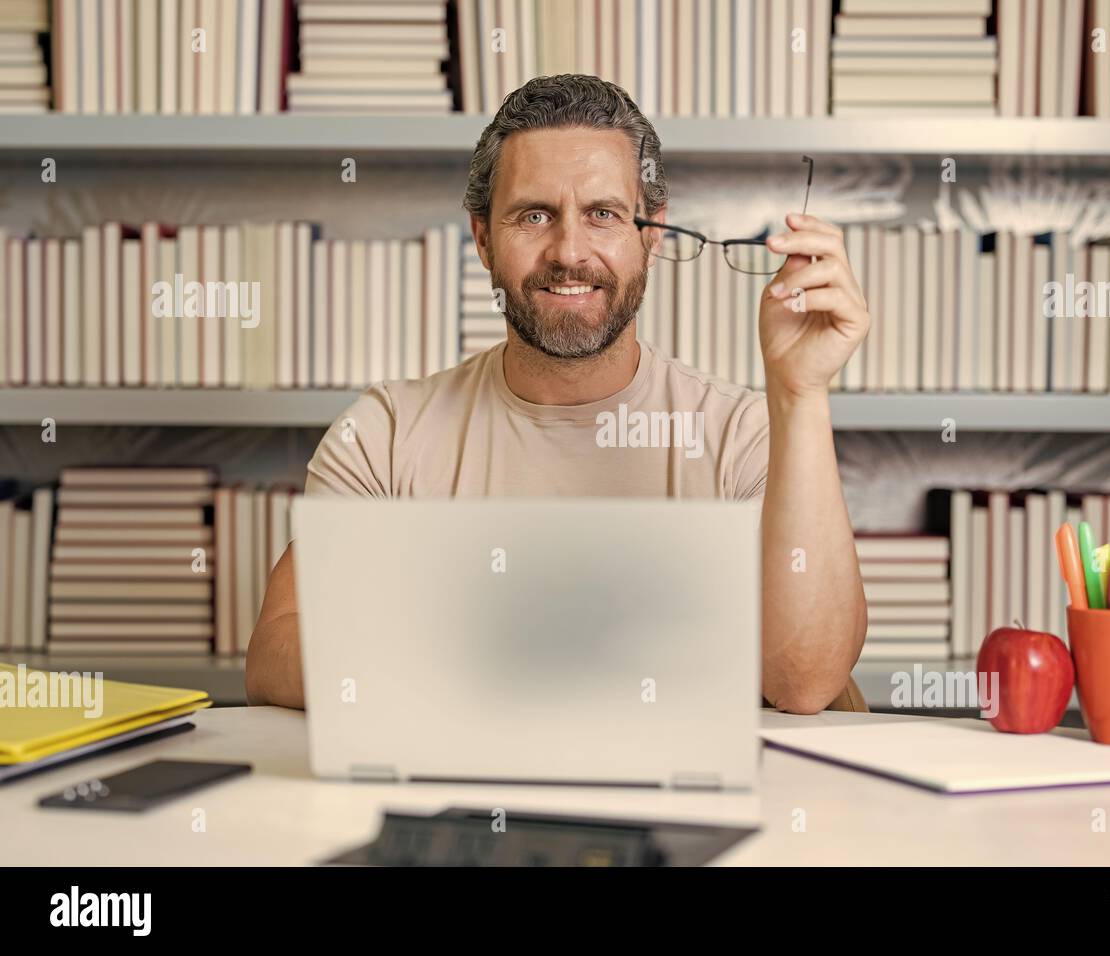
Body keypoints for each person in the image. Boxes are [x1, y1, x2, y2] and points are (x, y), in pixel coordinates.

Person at [245, 74, 870, 713]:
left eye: (603, 214)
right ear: (484, 239)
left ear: (651, 233)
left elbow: (804, 681)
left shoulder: (744, 433)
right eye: (534, 215)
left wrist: (800, 391)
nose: (569, 252)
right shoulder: (385, 433)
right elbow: (277, 652)